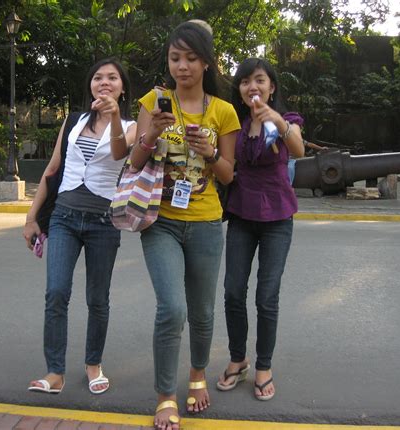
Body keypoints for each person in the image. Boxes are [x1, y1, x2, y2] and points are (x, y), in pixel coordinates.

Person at [129, 21, 240, 429]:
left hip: (207, 223)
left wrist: (210, 153)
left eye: (191, 58)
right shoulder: (153, 102)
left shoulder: (222, 112)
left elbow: (228, 175)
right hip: (160, 221)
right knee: (172, 309)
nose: (182, 66)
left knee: (202, 313)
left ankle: (197, 374)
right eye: (175, 58)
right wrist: (149, 135)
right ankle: (164, 395)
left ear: (207, 63)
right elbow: (134, 163)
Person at [23, 58, 137, 395]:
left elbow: (119, 154)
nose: (104, 82)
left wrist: (114, 115)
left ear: (122, 86)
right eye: (98, 77)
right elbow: (52, 170)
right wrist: (31, 218)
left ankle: (93, 365)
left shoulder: (130, 125)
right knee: (56, 292)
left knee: (98, 299)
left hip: (104, 222)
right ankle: (54, 371)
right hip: (64, 218)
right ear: (90, 84)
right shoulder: (72, 121)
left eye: (112, 77)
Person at [216, 58, 304, 401]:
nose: (252, 86)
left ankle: (264, 366)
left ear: (271, 87)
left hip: (278, 219)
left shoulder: (287, 120)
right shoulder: (234, 124)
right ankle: (239, 359)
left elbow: (296, 148)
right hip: (241, 214)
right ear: (239, 90)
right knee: (233, 291)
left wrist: (278, 121)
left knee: (267, 297)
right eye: (245, 82)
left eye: (259, 80)